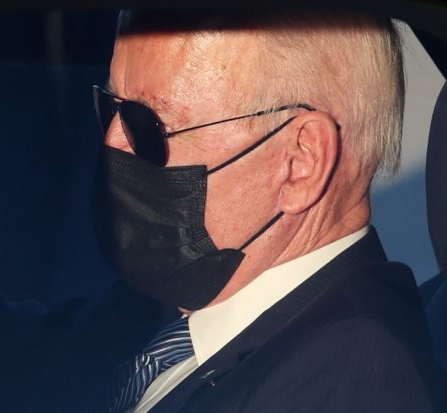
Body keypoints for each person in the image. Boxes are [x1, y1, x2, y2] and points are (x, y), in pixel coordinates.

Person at [36, 9, 447, 412]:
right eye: (111, 108)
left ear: (301, 162)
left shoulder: (350, 387)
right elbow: (36, 353)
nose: (112, 145)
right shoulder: (175, 300)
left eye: (147, 126)